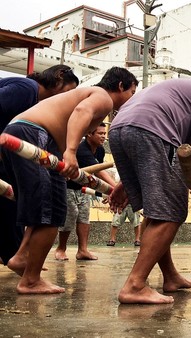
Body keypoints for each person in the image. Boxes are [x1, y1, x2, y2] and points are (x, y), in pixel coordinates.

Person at [1, 66, 137, 294]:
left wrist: (65, 160)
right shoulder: (102, 97)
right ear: (121, 86)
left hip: (25, 133)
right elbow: (81, 112)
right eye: (132, 91)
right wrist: (71, 152)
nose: (132, 98)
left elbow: (63, 127)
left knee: (41, 207)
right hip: (33, 133)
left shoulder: (87, 96)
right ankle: (31, 281)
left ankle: (22, 256)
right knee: (53, 210)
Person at [108, 68, 191, 304]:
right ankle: (135, 285)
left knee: (157, 211)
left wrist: (126, 181)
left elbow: (139, 122)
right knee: (171, 211)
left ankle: (170, 276)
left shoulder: (181, 91)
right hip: (151, 130)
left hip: (118, 129)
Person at [0, 65, 79, 275]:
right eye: (68, 92)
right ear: (59, 77)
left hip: (8, 152)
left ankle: (16, 256)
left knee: (13, 203)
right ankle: (16, 257)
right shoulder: (27, 88)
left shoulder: (35, 106)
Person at [53, 122, 116, 260]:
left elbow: (97, 173)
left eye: (105, 134)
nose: (104, 137)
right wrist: (114, 189)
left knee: (84, 217)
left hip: (84, 189)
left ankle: (83, 250)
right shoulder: (81, 150)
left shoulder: (100, 150)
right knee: (70, 217)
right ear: (89, 134)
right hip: (68, 187)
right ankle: (61, 249)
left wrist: (108, 192)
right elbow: (99, 172)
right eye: (100, 133)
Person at [105, 168, 142, 247]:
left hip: (132, 201)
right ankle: (112, 239)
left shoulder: (135, 172)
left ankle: (137, 239)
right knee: (115, 220)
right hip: (120, 201)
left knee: (136, 221)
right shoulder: (117, 173)